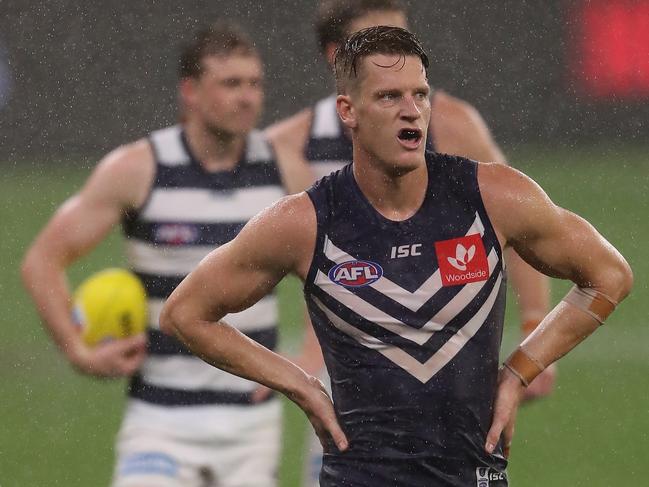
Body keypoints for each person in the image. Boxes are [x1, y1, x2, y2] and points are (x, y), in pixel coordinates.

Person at [160, 26, 632, 487]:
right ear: (349, 110)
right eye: (389, 97)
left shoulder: (494, 197)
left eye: (420, 95)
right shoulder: (304, 223)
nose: (412, 112)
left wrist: (519, 373)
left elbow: (608, 275)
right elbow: (185, 314)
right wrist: (298, 383)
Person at [265, 2, 555, 483]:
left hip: (449, 369)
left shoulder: (452, 125)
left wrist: (534, 329)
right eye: (381, 40)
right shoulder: (288, 144)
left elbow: (522, 227)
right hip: (351, 373)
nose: (400, 54)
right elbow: (293, 258)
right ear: (340, 58)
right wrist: (297, 368)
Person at [21, 22, 316, 487]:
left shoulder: (285, 171)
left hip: (250, 425)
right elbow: (42, 260)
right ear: (191, 92)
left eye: (255, 83)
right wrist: (78, 352)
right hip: (159, 423)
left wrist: (309, 360)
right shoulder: (138, 168)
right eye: (231, 83)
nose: (247, 98)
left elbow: (335, 273)